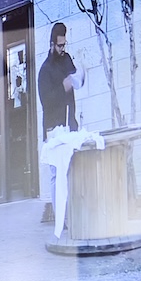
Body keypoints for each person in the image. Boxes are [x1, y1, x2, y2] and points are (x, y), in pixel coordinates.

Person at [37, 21, 84, 225]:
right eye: (59, 46)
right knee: (56, 174)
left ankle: (73, 214)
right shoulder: (44, 70)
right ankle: (61, 219)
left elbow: (75, 79)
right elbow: (46, 101)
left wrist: (79, 77)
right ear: (51, 44)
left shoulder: (67, 59)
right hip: (53, 128)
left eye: (64, 45)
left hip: (69, 123)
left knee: (72, 170)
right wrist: (63, 87)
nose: (63, 49)